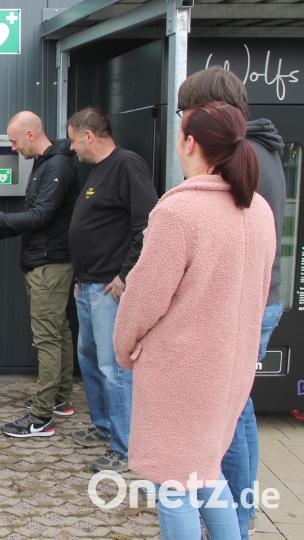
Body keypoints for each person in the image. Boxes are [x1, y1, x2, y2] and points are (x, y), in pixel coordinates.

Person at [115, 100, 274, 540]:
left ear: (190, 142)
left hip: (180, 371)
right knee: (206, 472)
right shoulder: (257, 209)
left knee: (176, 485)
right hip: (229, 368)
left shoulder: (178, 212)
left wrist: (125, 347)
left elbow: (143, 298)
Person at [177, 66, 287, 539]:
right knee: (234, 412)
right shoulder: (258, 150)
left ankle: (234, 519)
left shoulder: (248, 157)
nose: (184, 124)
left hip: (245, 304)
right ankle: (234, 516)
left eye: (186, 112)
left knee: (229, 416)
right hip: (254, 300)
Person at [0, 111, 80, 438]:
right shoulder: (47, 163)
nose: (13, 149)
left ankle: (41, 416)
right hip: (48, 259)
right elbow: (37, 217)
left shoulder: (56, 165)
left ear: (31, 134)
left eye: (14, 142)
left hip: (48, 265)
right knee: (59, 331)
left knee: (47, 337)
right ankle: (59, 399)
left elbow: (40, 216)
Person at [65, 108, 157, 472]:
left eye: (73, 140)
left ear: (89, 135)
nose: (72, 148)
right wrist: (80, 276)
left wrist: (126, 274)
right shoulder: (98, 170)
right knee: (88, 358)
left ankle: (125, 448)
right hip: (87, 285)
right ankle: (103, 427)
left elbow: (147, 223)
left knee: (113, 366)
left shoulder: (127, 165)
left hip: (109, 289)